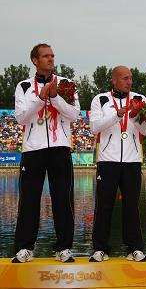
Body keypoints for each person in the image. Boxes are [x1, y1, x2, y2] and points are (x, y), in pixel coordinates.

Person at [12, 43, 80, 263]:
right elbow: (21, 118)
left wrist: (55, 98)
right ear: (34, 60)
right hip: (33, 150)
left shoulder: (67, 84)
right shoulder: (23, 86)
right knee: (29, 200)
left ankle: (63, 248)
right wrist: (41, 98)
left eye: (52, 55)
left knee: (63, 200)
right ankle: (24, 248)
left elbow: (74, 115)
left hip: (60, 148)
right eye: (45, 56)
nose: (51, 59)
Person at [88, 65, 146, 262]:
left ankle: (134, 249)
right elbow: (94, 127)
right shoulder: (100, 99)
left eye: (131, 78)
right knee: (104, 205)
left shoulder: (140, 100)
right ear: (114, 80)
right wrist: (118, 114)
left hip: (132, 161)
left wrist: (135, 117)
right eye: (125, 78)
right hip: (107, 160)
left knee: (132, 206)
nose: (129, 81)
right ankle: (100, 249)